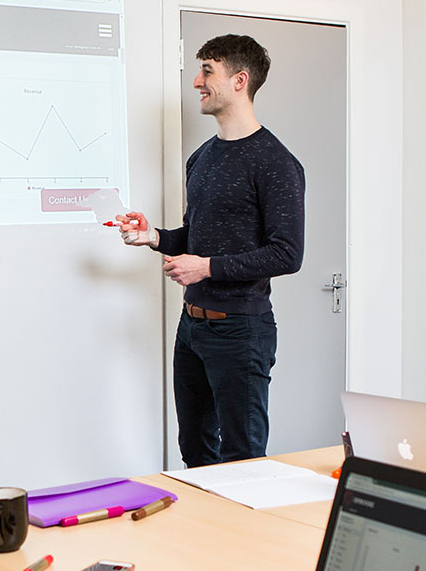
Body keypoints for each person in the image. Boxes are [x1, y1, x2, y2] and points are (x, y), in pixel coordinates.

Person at [119, 34, 305, 467]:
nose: (197, 81)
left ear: (240, 81)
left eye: (208, 70)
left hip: (242, 332)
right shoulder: (202, 157)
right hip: (192, 329)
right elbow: (197, 235)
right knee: (196, 453)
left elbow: (287, 254)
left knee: (243, 460)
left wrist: (205, 268)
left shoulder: (275, 162)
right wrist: (155, 238)